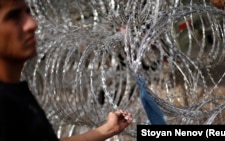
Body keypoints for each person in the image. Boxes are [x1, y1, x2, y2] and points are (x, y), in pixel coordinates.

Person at [0, 0, 132, 141]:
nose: (32, 24)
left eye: (28, 13)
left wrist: (109, 129)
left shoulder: (14, 94)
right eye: (13, 17)